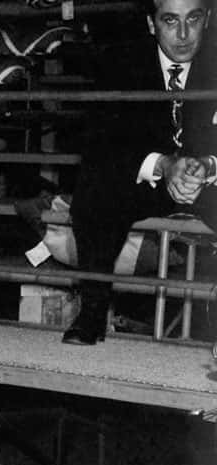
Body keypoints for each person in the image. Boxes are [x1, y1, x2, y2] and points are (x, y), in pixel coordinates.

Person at [63, 0, 216, 345]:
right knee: (95, 188)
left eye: (192, 19)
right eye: (169, 20)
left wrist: (207, 165)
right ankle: (92, 313)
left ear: (207, 19)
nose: (182, 34)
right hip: (150, 179)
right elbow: (102, 142)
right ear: (151, 24)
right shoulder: (119, 64)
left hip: (208, 180)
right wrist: (163, 164)